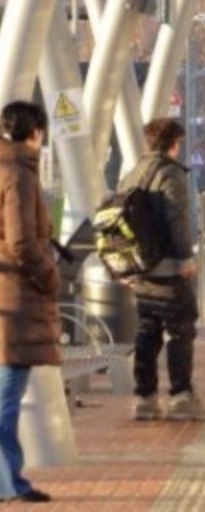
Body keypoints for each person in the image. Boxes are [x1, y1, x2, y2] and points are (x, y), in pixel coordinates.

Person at [120, 117, 205, 422]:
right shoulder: (170, 174)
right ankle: (181, 396)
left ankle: (144, 398)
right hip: (168, 268)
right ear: (174, 143)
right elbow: (177, 219)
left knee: (147, 330)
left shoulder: (132, 173)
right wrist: (186, 257)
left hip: (141, 268)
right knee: (180, 330)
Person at [0, 100, 59, 504]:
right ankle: (9, 482)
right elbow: (22, 241)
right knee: (7, 393)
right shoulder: (18, 173)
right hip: (15, 297)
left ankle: (10, 479)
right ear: (36, 132)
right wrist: (49, 275)